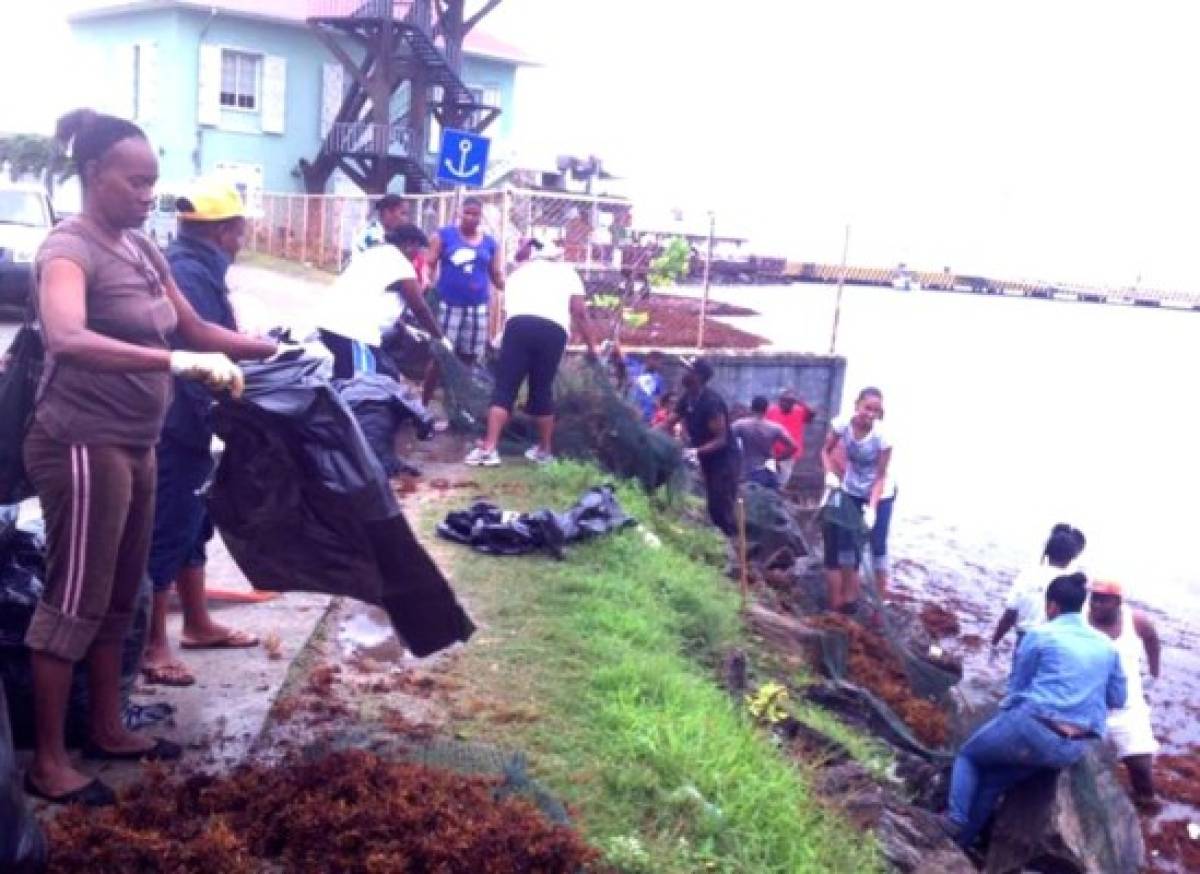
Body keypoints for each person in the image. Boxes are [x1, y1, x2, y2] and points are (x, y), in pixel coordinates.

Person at [23, 109, 277, 806]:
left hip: (138, 442)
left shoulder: (140, 249)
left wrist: (271, 350)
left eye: (153, 184)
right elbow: (68, 337)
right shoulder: (69, 249)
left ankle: (106, 727)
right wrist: (177, 361)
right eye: (135, 182)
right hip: (81, 441)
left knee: (120, 595)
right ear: (94, 174)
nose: (146, 196)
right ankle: (49, 761)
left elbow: (193, 326)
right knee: (72, 598)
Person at [141, 180, 263, 688]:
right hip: (179, 422)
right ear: (222, 231)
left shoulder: (194, 265)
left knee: (194, 525)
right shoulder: (190, 272)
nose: (242, 238)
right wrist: (211, 423)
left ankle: (197, 622)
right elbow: (195, 347)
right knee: (168, 529)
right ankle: (151, 646)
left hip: (192, 417)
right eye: (239, 229)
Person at [944, 573, 1126, 850]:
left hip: (1034, 728)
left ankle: (954, 820)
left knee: (969, 756)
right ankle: (963, 845)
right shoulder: (1107, 646)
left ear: (1051, 606)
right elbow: (1118, 697)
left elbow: (1017, 689)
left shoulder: (1040, 635)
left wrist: (1002, 723)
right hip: (1074, 748)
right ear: (1081, 606)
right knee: (991, 783)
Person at [464, 244, 596, 467]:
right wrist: (592, 346)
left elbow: (511, 310)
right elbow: (580, 312)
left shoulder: (519, 273)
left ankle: (489, 448)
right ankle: (544, 450)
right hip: (553, 332)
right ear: (557, 257)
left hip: (518, 327)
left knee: (505, 388)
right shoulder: (568, 273)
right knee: (542, 388)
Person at [318, 224, 445, 380]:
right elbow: (420, 308)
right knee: (363, 385)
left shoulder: (373, 253)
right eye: (417, 249)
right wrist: (440, 337)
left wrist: (401, 324)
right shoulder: (400, 263)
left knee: (345, 379)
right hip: (353, 333)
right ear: (409, 244)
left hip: (329, 325)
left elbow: (370, 293)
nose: (417, 255)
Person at [1087, 579, 1162, 812]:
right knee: (1083, 765)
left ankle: (1145, 806)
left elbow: (1152, 640)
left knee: (1141, 766)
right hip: (1088, 703)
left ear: (1118, 602)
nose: (1096, 604)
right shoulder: (1080, 618)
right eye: (1094, 598)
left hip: (1127, 706)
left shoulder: (1136, 621)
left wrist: (1154, 673)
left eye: (1103, 600)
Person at [422, 197, 505, 406]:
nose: (470, 217)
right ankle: (423, 404)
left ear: (480, 216)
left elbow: (497, 275)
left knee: (467, 360)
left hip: (477, 309)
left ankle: (456, 407)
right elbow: (429, 263)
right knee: (440, 357)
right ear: (459, 213)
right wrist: (425, 280)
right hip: (448, 306)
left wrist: (514, 286)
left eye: (475, 214)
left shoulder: (490, 243)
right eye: (466, 212)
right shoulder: (444, 236)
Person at [820, 387, 895, 610]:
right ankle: (848, 599)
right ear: (857, 405)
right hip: (851, 489)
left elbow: (880, 476)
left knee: (877, 546)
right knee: (847, 544)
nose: (870, 414)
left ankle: (880, 606)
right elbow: (825, 451)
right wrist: (830, 475)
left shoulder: (883, 437)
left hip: (880, 494)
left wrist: (871, 508)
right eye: (867, 408)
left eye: (876, 410)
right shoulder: (843, 424)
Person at [665, 358, 739, 537]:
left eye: (688, 371)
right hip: (707, 459)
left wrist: (695, 451)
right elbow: (669, 422)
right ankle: (724, 543)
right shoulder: (688, 398)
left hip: (724, 461)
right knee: (711, 503)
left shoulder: (711, 402)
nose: (684, 374)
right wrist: (648, 435)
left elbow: (721, 439)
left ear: (698, 377)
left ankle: (735, 544)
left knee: (720, 504)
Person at [991, 524, 1086, 656]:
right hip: (1056, 644)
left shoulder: (1027, 574)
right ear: (1071, 557)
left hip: (1026, 639)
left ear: (1047, 552)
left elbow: (1009, 615)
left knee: (1019, 675)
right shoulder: (1072, 582)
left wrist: (994, 643)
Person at [732, 395, 798, 489]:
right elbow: (793, 447)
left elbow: (726, 439)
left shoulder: (741, 425)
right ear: (766, 409)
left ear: (751, 408)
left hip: (750, 470)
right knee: (769, 498)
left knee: (752, 499)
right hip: (769, 470)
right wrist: (776, 459)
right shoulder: (775, 427)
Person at [765, 388, 814, 488]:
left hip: (788, 455)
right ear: (779, 401)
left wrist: (800, 401)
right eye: (783, 401)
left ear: (793, 403)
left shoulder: (799, 411)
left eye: (789, 402)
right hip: (772, 453)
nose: (785, 404)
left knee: (781, 483)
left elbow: (812, 414)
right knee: (767, 480)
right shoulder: (771, 411)